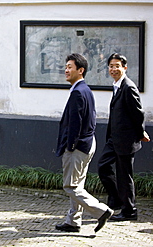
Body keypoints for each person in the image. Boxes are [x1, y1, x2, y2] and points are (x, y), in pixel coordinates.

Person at [55, 53, 113, 233]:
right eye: (66, 66)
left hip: (78, 147)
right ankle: (73, 221)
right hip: (87, 143)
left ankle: (101, 211)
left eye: (70, 67)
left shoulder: (79, 92)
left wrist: (70, 147)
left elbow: (75, 124)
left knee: (71, 186)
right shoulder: (84, 90)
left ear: (81, 71)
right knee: (77, 185)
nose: (66, 70)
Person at [97, 53, 150, 221]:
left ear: (124, 68)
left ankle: (129, 211)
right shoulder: (117, 85)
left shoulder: (128, 87)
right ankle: (116, 200)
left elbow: (138, 113)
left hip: (126, 140)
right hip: (114, 139)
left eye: (117, 66)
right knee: (103, 167)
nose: (114, 69)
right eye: (111, 66)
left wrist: (141, 133)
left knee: (124, 177)